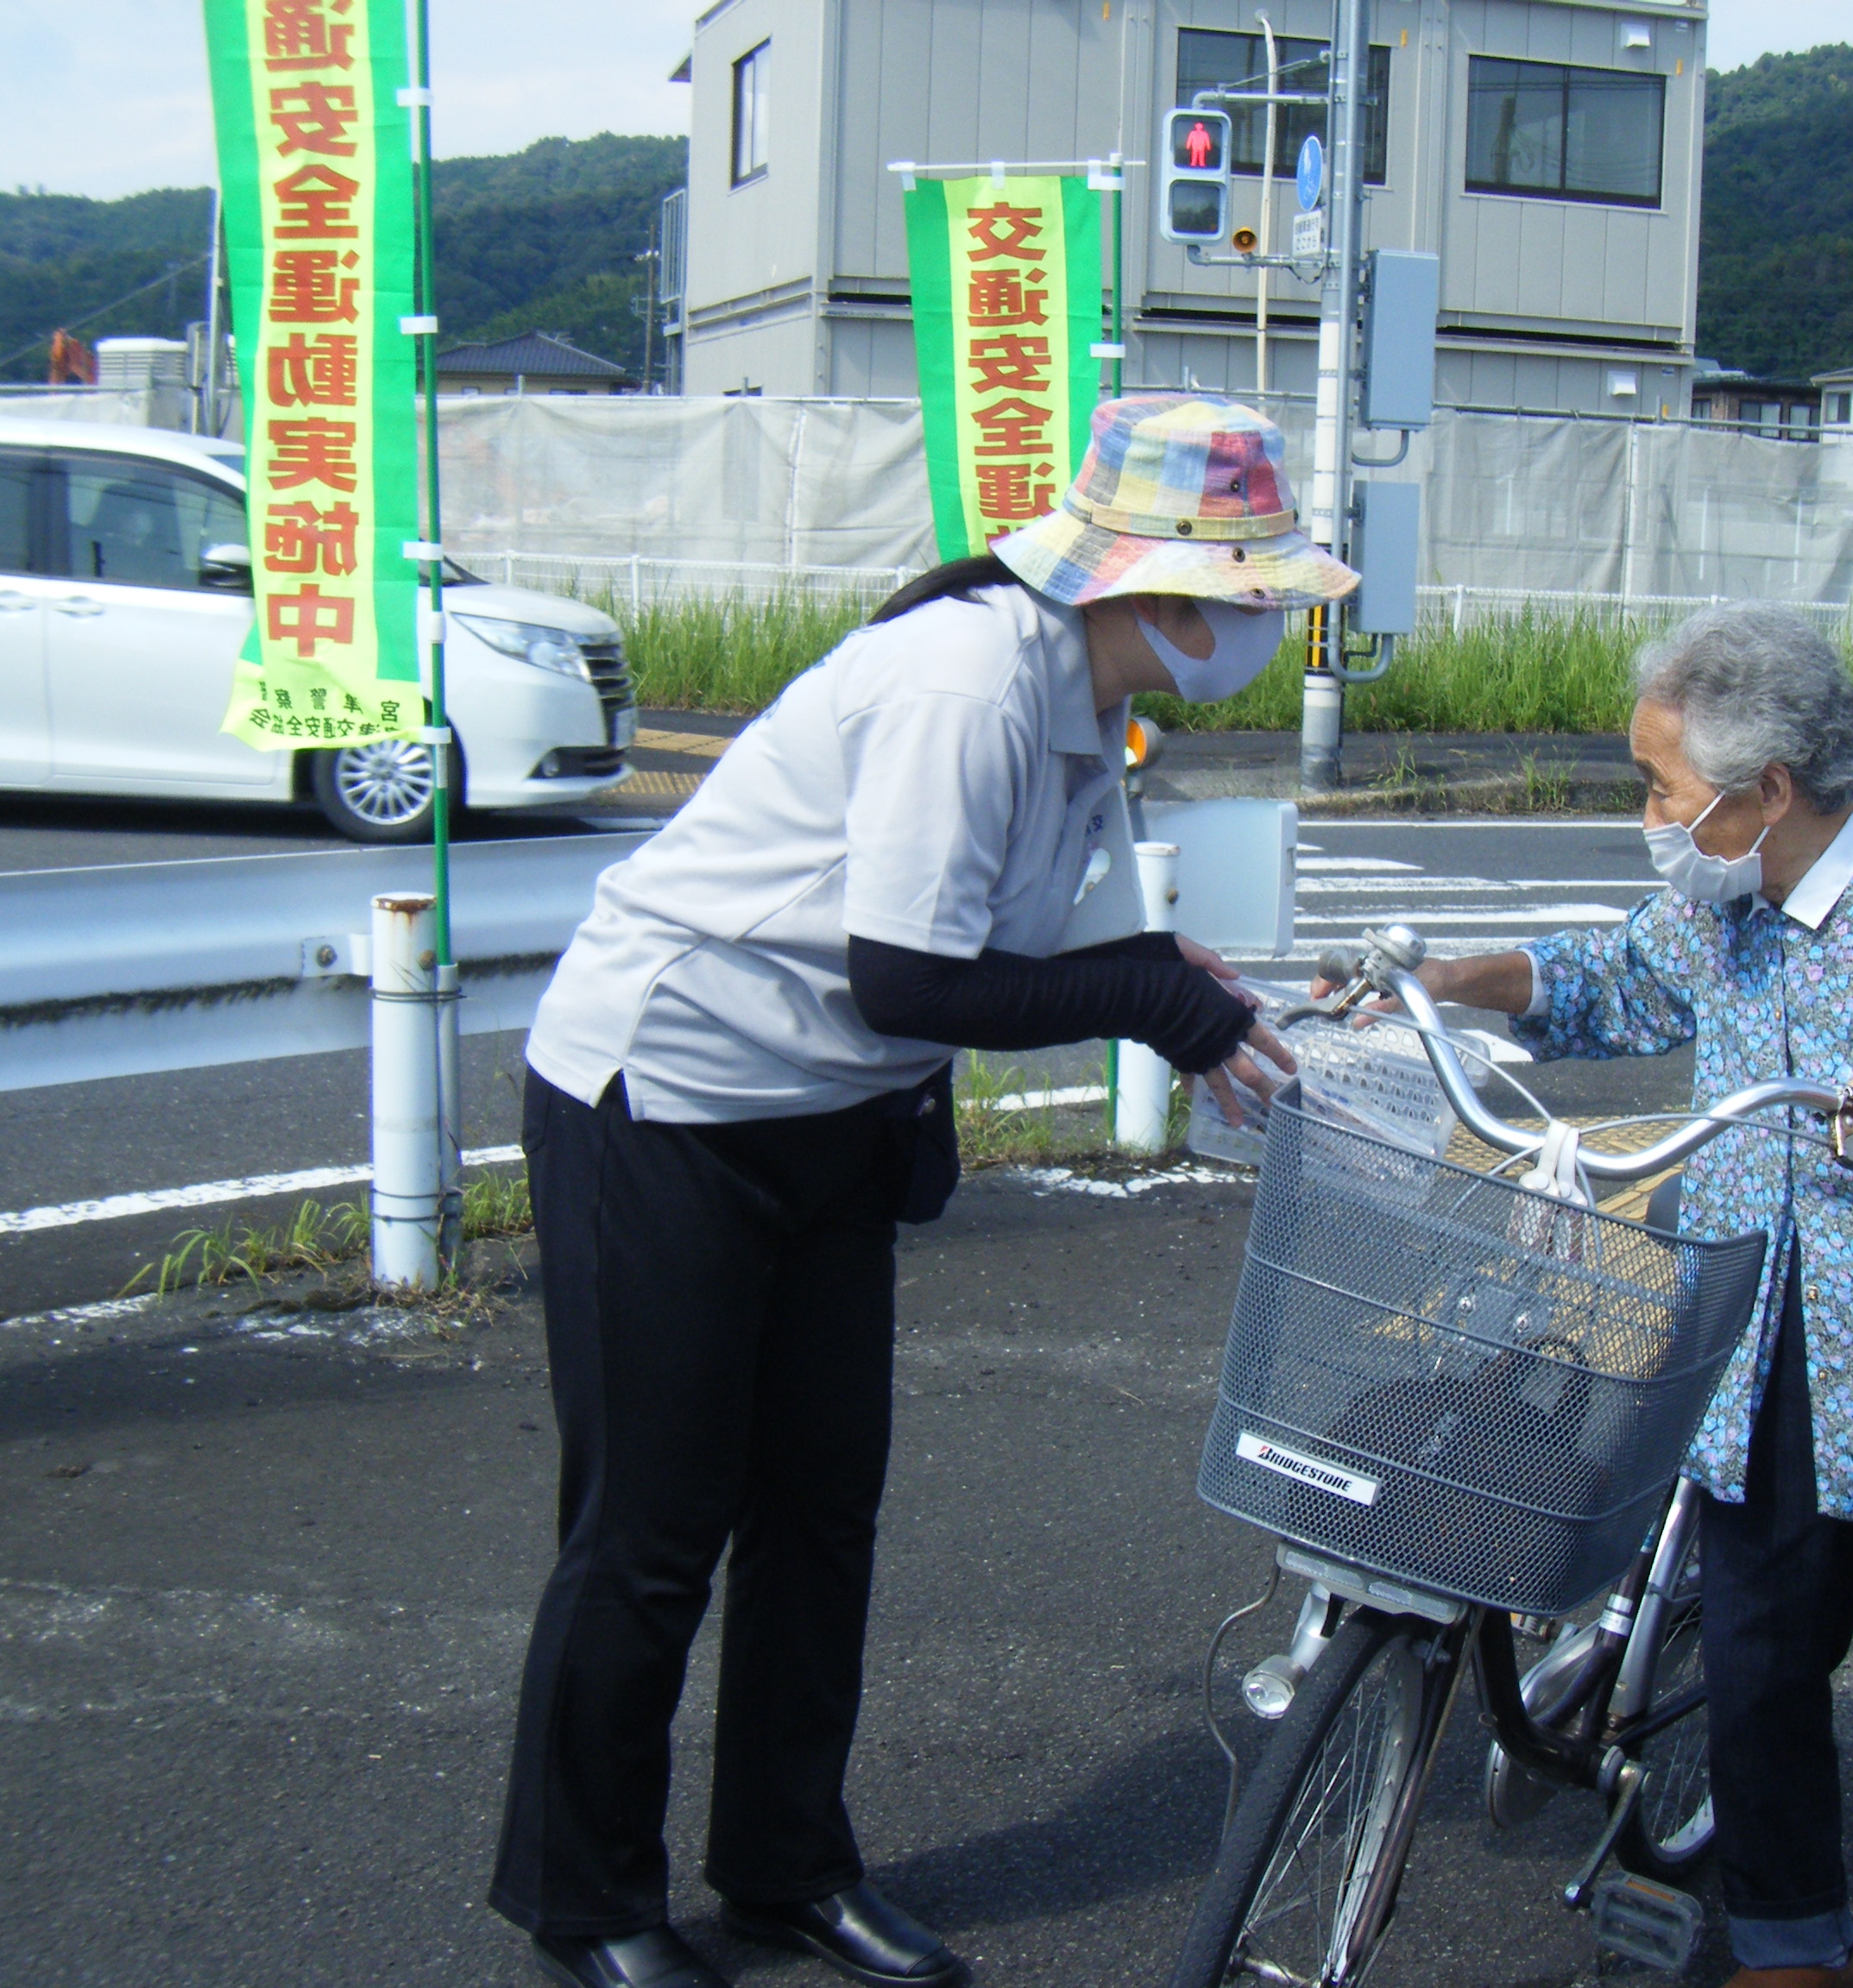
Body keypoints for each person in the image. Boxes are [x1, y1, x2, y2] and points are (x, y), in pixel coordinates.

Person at [488, 395, 1358, 1988]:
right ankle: (586, 1896)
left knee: (822, 1508)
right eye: (1249, 594)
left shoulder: (1090, 702)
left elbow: (972, 956)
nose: (1261, 622)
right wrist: (1152, 993)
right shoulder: (970, 680)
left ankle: (783, 1870)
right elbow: (905, 975)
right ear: (1153, 584)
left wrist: (1150, 970)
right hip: (666, 1094)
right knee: (656, 1523)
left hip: (822, 1111)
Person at [1381, 603, 1853, 1988]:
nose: (1652, 815)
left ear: (1768, 791)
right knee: (1758, 1662)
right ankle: (1796, 1942)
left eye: (1663, 788)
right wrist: (1444, 981)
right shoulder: (1718, 900)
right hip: (1769, 1337)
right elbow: (1604, 982)